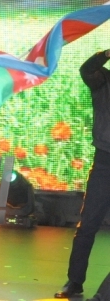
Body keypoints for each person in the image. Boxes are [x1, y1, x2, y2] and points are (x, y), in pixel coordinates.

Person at [55, 48, 110, 298]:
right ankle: (74, 282)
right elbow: (86, 69)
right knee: (88, 225)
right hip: (105, 162)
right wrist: (108, 52)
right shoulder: (103, 81)